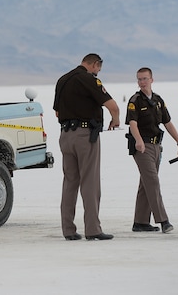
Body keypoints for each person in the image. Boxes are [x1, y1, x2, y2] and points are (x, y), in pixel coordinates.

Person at [53, 53, 120, 241]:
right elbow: (113, 106)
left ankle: (68, 229)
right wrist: (115, 121)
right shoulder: (88, 80)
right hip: (85, 137)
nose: (98, 72)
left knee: (69, 183)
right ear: (95, 64)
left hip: (65, 136)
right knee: (90, 182)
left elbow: (57, 111)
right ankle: (93, 229)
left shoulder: (62, 80)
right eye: (98, 69)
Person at [125, 67, 178, 234]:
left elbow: (167, 122)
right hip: (142, 148)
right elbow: (132, 123)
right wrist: (139, 140)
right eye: (139, 79)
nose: (142, 82)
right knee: (153, 182)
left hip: (157, 146)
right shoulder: (135, 100)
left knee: (146, 184)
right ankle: (163, 220)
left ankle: (140, 222)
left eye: (144, 79)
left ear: (151, 79)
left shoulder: (158, 100)